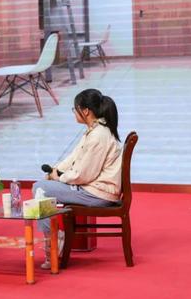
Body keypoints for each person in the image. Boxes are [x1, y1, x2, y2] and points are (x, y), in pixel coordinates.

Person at [32, 88, 122, 269]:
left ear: (86, 111)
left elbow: (84, 175)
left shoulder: (98, 136)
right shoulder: (94, 131)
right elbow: (73, 158)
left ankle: (54, 244)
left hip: (97, 193)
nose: (74, 113)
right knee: (43, 184)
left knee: (39, 189)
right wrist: (56, 171)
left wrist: (59, 179)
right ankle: (54, 240)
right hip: (94, 189)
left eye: (75, 109)